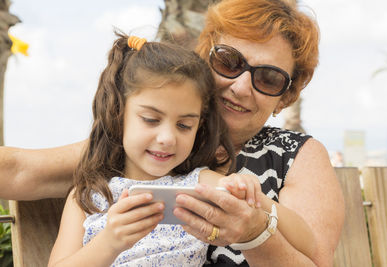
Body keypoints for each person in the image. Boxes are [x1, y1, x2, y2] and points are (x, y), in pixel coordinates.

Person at [0, 0, 344, 266]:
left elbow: (313, 250)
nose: (241, 86)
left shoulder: (282, 158)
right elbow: (18, 169)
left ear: (286, 96)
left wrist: (256, 225)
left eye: (268, 78)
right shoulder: (113, 163)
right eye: (229, 61)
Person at [47, 34, 317, 266]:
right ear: (118, 115)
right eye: (151, 120)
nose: (167, 138)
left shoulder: (199, 186)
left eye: (184, 125)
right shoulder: (87, 197)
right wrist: (109, 242)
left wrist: (255, 204)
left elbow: (307, 242)